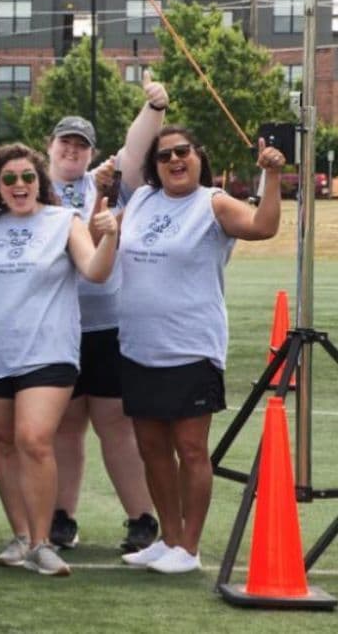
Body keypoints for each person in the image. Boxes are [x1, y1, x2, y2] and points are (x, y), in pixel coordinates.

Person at [115, 128, 284, 574]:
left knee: (190, 449)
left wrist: (273, 178)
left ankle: (189, 547)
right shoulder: (141, 202)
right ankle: (167, 537)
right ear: (154, 166)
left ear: (197, 156)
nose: (174, 159)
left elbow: (263, 227)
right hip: (137, 345)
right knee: (150, 448)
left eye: (182, 151)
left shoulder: (213, 202)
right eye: (164, 154)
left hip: (190, 347)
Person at [0, 143, 117, 577]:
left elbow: (95, 272)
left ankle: (43, 543)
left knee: (34, 439)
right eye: (9, 179)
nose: (19, 185)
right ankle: (21, 535)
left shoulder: (64, 221)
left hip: (48, 351)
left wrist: (111, 236)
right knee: (4, 443)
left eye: (27, 177)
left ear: (40, 182)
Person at [45, 83, 169, 555]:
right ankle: (61, 516)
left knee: (115, 423)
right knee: (66, 426)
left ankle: (141, 517)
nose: (72, 151)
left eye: (80, 145)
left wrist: (154, 105)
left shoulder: (112, 180)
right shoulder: (35, 185)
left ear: (93, 152)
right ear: (50, 147)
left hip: (108, 324)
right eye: (65, 143)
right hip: (58, 326)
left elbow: (137, 148)